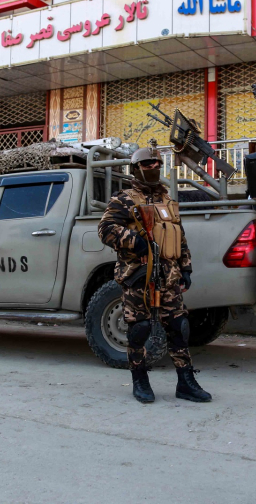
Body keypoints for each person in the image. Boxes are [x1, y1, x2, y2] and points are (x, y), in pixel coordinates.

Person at [98, 145, 212, 404]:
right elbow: (105, 228)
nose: (154, 168)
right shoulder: (124, 199)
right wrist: (134, 241)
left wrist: (186, 267)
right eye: (147, 164)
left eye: (157, 164)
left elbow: (179, 236)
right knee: (139, 328)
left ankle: (186, 382)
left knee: (179, 327)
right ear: (136, 168)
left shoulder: (168, 200)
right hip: (138, 274)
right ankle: (140, 380)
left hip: (169, 276)